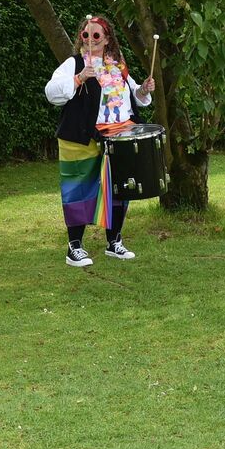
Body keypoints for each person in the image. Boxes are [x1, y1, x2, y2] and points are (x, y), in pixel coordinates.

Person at [45, 15, 155, 266]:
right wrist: (80, 77)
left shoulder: (118, 66)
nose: (91, 40)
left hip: (119, 136)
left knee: (120, 189)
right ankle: (75, 247)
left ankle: (114, 241)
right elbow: (52, 93)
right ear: (81, 37)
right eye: (86, 35)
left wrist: (143, 90)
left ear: (107, 39)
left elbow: (133, 97)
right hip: (82, 138)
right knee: (78, 190)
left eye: (97, 35)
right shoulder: (72, 64)